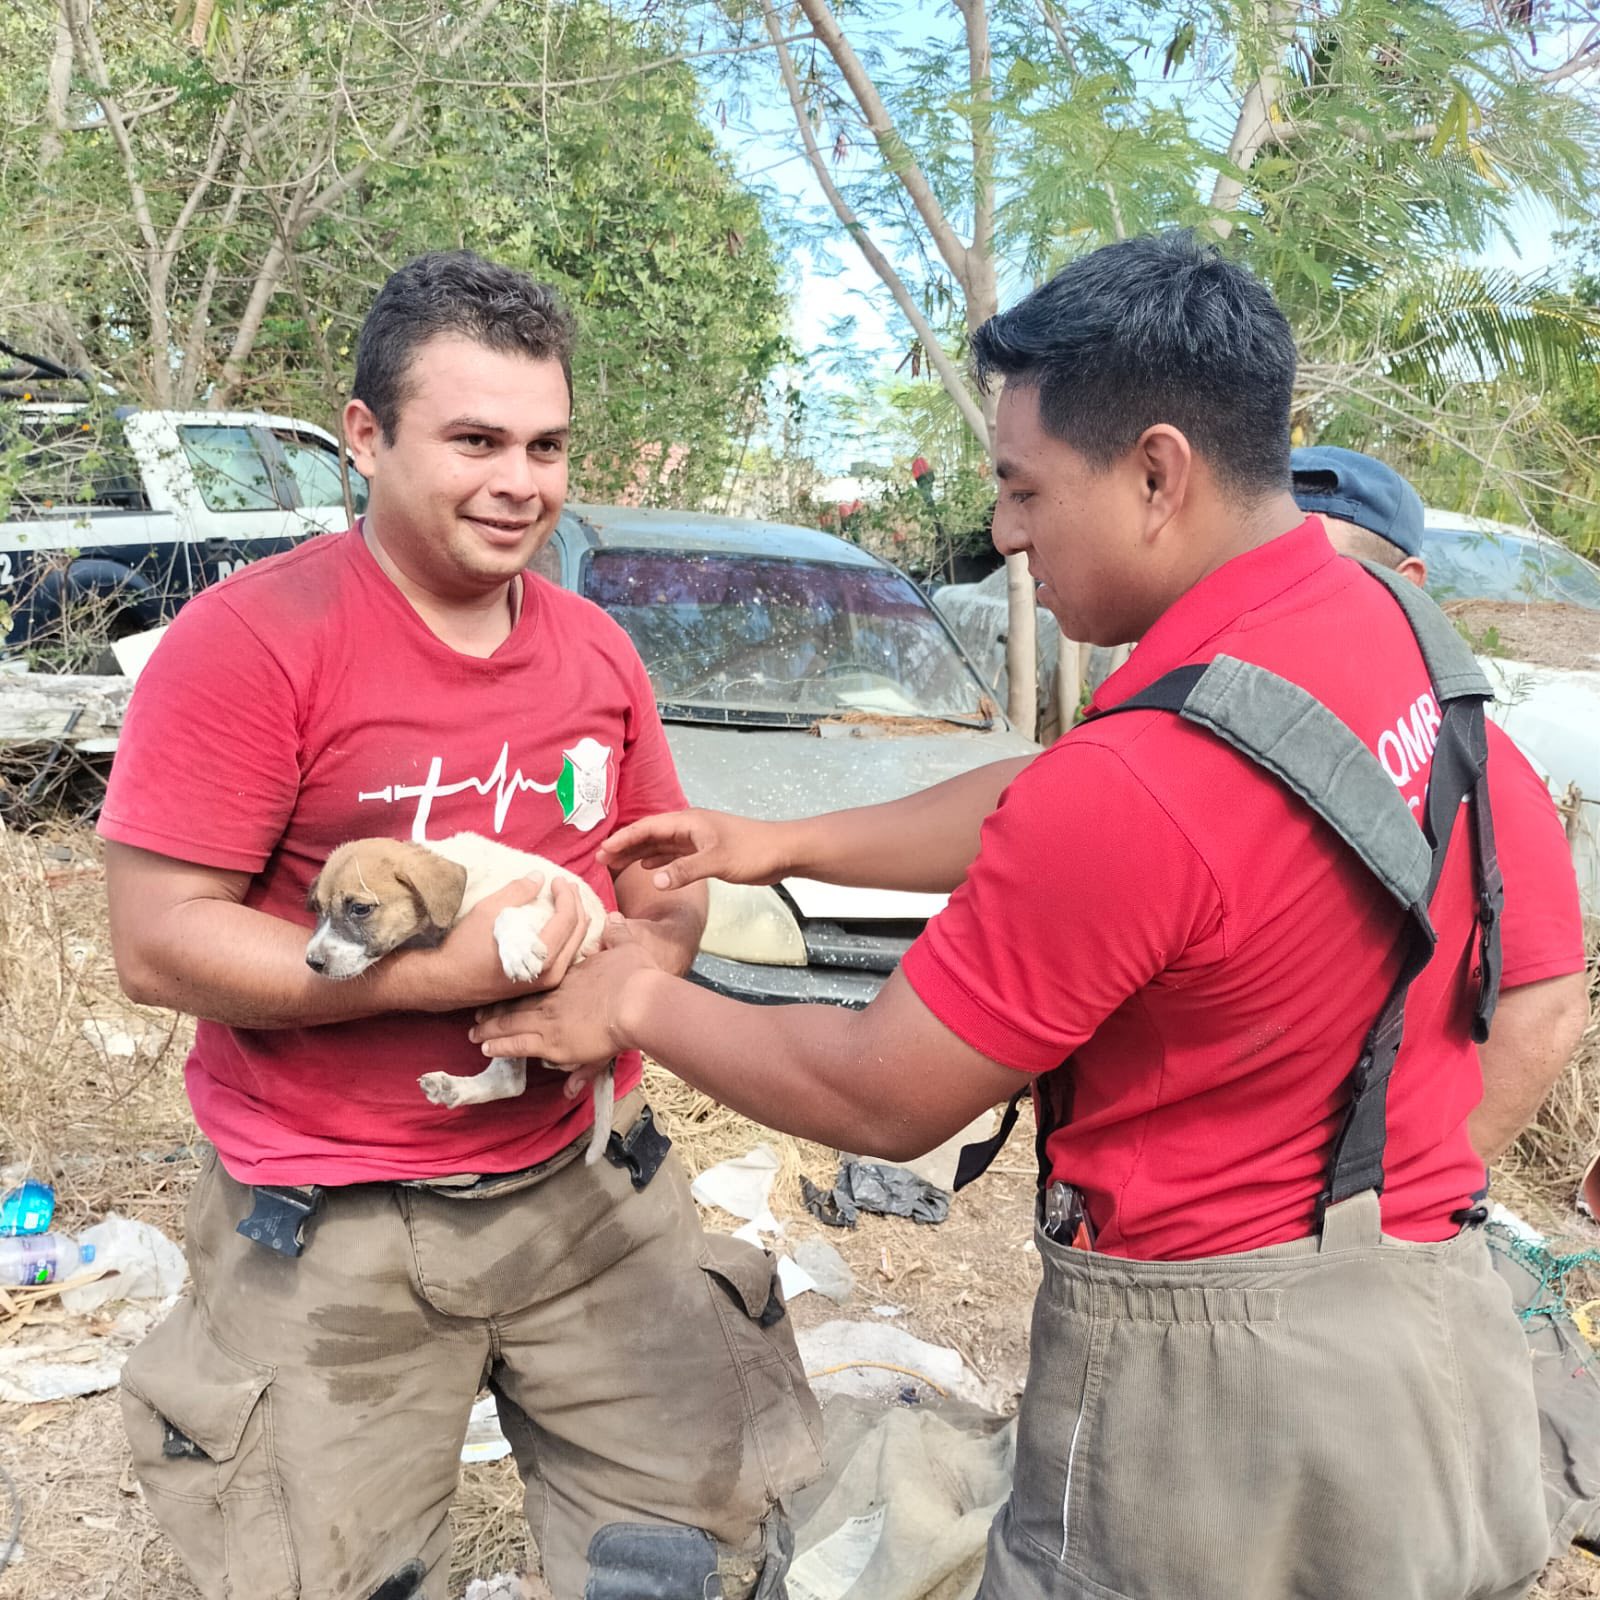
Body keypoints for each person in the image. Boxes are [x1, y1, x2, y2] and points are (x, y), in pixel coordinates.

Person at [475, 232, 1588, 1600]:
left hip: (1215, 1391)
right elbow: (1064, 791)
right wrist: (784, 843)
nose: (1005, 533)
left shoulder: (1147, 782)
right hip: (1432, 1325)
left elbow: (883, 1091)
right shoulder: (1379, 631)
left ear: (1158, 474)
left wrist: (634, 999)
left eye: (1023, 487)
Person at [100, 251, 820, 1600]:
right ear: (366, 437)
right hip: (335, 1224)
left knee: (690, 1556)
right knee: (335, 1576)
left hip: (591, 1185)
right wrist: (440, 979)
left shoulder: (595, 648)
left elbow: (661, 880)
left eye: (547, 445)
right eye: (476, 440)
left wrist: (632, 972)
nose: (521, 482)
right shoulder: (252, 643)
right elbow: (159, 940)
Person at [1291, 444, 1590, 1165]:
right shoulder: (1244, 733)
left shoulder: (1472, 762)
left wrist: (1421, 1190)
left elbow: (1546, 1007)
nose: (1285, 604)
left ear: (1409, 586)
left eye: (1320, 578)